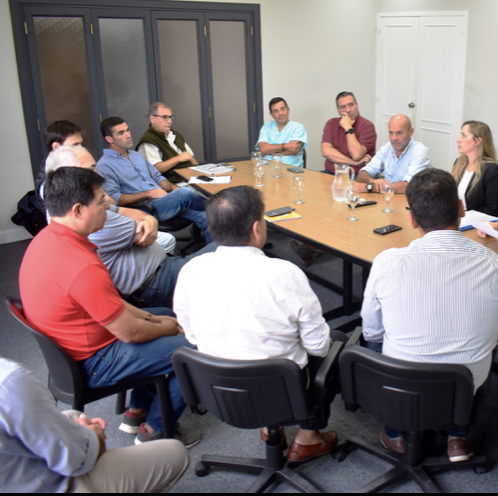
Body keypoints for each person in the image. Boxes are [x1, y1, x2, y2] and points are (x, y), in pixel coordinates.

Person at [19, 166, 200, 447]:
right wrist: (166, 329)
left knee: (164, 315)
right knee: (195, 349)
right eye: (102, 202)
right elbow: (130, 334)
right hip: (94, 361)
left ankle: (135, 411)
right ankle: (156, 430)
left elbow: (115, 307)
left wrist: (155, 319)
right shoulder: (81, 266)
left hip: (75, 348)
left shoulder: (46, 239)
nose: (109, 207)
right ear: (78, 210)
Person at [174, 185, 341, 463]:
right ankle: (308, 436)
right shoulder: (285, 274)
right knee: (336, 346)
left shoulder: (191, 270)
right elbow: (318, 347)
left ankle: (269, 427)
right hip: (283, 392)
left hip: (218, 390)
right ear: (256, 228)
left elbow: (191, 334)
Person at [362, 168, 498, 462]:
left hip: (401, 385)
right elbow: (496, 331)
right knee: (482, 343)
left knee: (376, 341)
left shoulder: (387, 263)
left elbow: (371, 333)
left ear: (412, 218)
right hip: (464, 389)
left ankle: (395, 434)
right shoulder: (497, 267)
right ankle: (458, 436)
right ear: (460, 209)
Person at [45, 146, 215, 309]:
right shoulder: (90, 215)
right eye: (91, 169)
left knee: (206, 217)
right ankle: (221, 209)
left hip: (160, 265)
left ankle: (219, 215)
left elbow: (126, 210)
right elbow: (124, 209)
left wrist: (149, 219)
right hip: (155, 283)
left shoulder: (87, 205)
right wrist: (148, 213)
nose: (97, 174)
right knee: (229, 243)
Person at [0, 357, 190, 492]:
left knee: (74, 416)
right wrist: (95, 436)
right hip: (61, 484)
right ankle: (154, 429)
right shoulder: (9, 382)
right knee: (176, 452)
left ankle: (137, 411)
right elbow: (77, 462)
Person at [96, 116, 212, 243]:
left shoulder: (136, 155)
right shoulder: (104, 165)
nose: (128, 135)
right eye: (121, 133)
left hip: (164, 199)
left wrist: (173, 188)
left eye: (128, 130)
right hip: (146, 206)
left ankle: (217, 255)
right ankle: (218, 206)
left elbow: (157, 177)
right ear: (109, 139)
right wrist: (148, 193)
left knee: (208, 218)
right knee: (185, 193)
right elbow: (115, 199)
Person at [352, 114, 431, 194]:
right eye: (391, 133)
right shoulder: (387, 148)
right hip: (389, 198)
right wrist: (373, 181)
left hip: (413, 202)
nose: (394, 138)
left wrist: (370, 187)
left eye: (399, 133)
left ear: (410, 132)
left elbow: (408, 186)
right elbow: (362, 174)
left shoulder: (420, 151)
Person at [452, 120, 498, 217]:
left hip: (475, 223)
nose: (458, 139)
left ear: (477, 141)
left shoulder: (493, 171)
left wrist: (465, 217)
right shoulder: (459, 164)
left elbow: (493, 210)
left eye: (464, 136)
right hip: (456, 219)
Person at [321, 91, 377, 175]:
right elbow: (326, 151)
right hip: (331, 172)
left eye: (351, 105)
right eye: (343, 107)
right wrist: (352, 162)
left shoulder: (367, 126)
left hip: (356, 175)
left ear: (357, 106)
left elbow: (356, 155)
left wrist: (348, 127)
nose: (348, 110)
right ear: (338, 110)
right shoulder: (331, 123)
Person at [136, 102, 198, 175]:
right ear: (152, 119)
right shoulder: (149, 140)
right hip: (174, 182)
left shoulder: (176, 134)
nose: (169, 121)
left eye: (170, 117)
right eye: (164, 117)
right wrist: (178, 158)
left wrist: (198, 171)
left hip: (192, 177)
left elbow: (189, 157)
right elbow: (155, 168)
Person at [256, 97, 307, 168]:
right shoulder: (266, 127)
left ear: (288, 110)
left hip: (291, 170)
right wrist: (286, 146)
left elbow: (293, 149)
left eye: (282, 109)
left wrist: (269, 151)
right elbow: (263, 149)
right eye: (276, 111)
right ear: (271, 114)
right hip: (267, 170)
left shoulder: (298, 127)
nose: (280, 113)